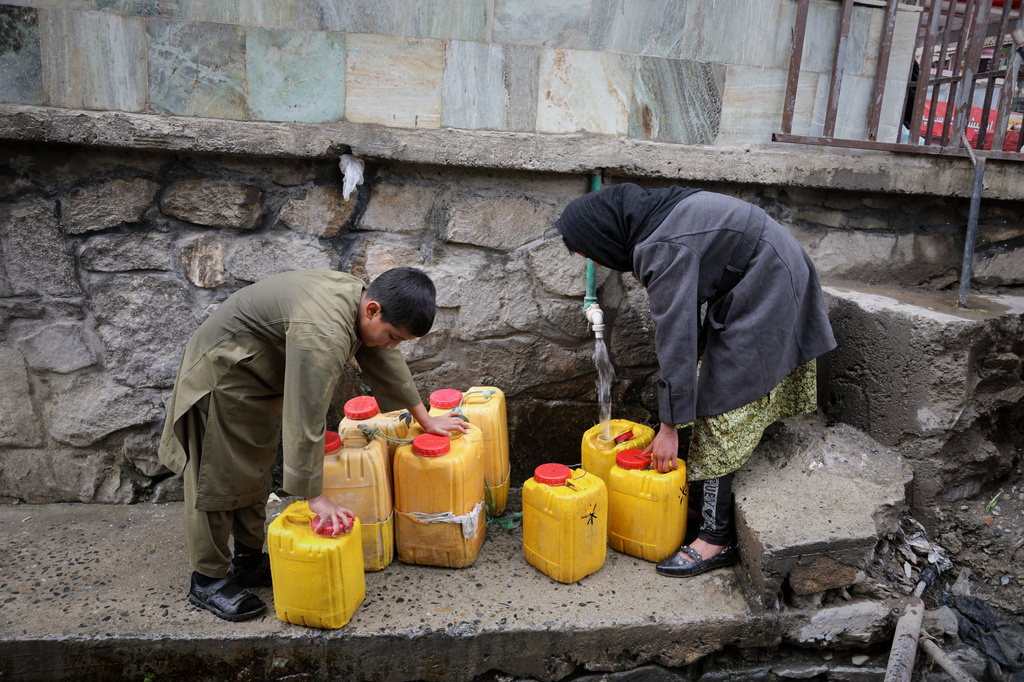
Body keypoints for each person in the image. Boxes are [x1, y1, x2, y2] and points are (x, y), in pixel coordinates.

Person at [556, 184, 836, 578]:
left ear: (604, 237)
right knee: (704, 380)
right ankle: (688, 500)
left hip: (769, 280)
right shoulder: (653, 224)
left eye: (593, 255)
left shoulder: (663, 247)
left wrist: (669, 427)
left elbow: (677, 336)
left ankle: (715, 538)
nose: (598, 264)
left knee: (724, 405)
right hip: (751, 276)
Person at [158, 267, 468, 621]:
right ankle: (208, 580)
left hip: (254, 382)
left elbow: (383, 357)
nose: (392, 344)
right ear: (373, 310)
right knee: (214, 479)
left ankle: (247, 563)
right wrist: (315, 497)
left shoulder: (360, 301)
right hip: (220, 377)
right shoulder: (325, 333)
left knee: (252, 470)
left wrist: (424, 418)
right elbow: (306, 415)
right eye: (393, 335)